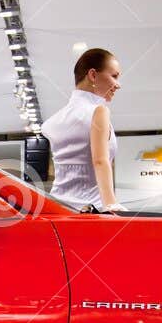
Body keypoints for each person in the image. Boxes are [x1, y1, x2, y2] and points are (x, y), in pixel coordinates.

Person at [40, 47, 122, 211]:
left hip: (57, 209)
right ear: (93, 75)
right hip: (92, 211)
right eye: (114, 76)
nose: (118, 85)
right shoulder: (98, 112)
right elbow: (100, 161)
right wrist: (112, 206)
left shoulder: (53, 122)